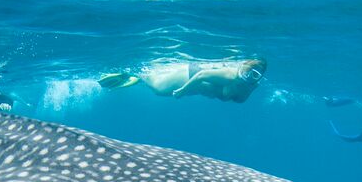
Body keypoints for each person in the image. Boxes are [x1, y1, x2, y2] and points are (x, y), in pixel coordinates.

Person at [99, 59, 267, 103]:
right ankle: (137, 74)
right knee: (159, 89)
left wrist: (251, 87)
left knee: (161, 87)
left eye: (255, 75)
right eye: (247, 71)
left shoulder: (249, 86)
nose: (249, 76)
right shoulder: (229, 76)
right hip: (191, 75)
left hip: (197, 87)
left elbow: (238, 99)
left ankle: (144, 77)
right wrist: (182, 91)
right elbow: (201, 76)